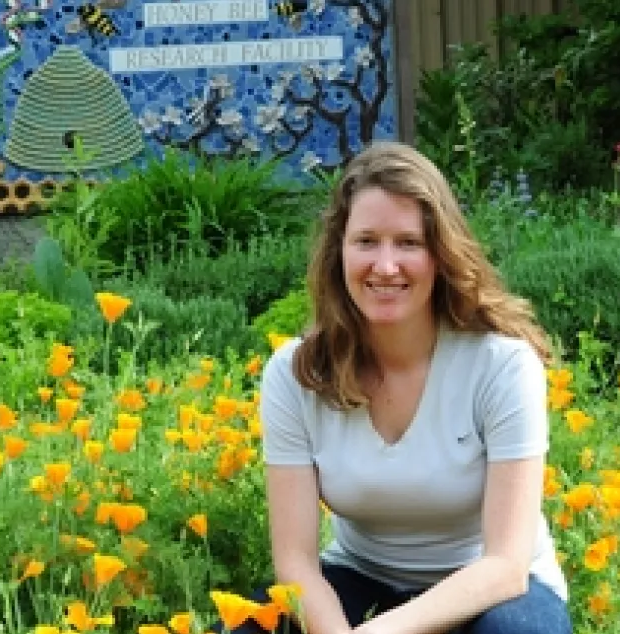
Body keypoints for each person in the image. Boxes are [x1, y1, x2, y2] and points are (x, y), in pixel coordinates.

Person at [241, 141, 571, 634]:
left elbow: (504, 566)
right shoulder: (296, 375)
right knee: (251, 626)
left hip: (489, 590)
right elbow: (296, 566)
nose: (386, 265)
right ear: (339, 252)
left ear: (440, 255)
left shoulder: (501, 366)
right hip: (358, 576)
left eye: (409, 243)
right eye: (367, 241)